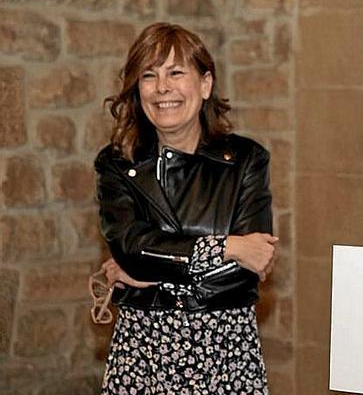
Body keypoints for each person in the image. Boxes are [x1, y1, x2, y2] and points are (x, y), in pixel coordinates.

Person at [94, 22, 278, 394]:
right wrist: (227, 247)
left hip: (226, 354)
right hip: (142, 355)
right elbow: (130, 247)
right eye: (149, 75)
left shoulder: (246, 160)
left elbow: (248, 270)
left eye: (176, 72)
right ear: (137, 89)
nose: (163, 88)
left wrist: (149, 267)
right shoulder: (115, 165)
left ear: (205, 84)